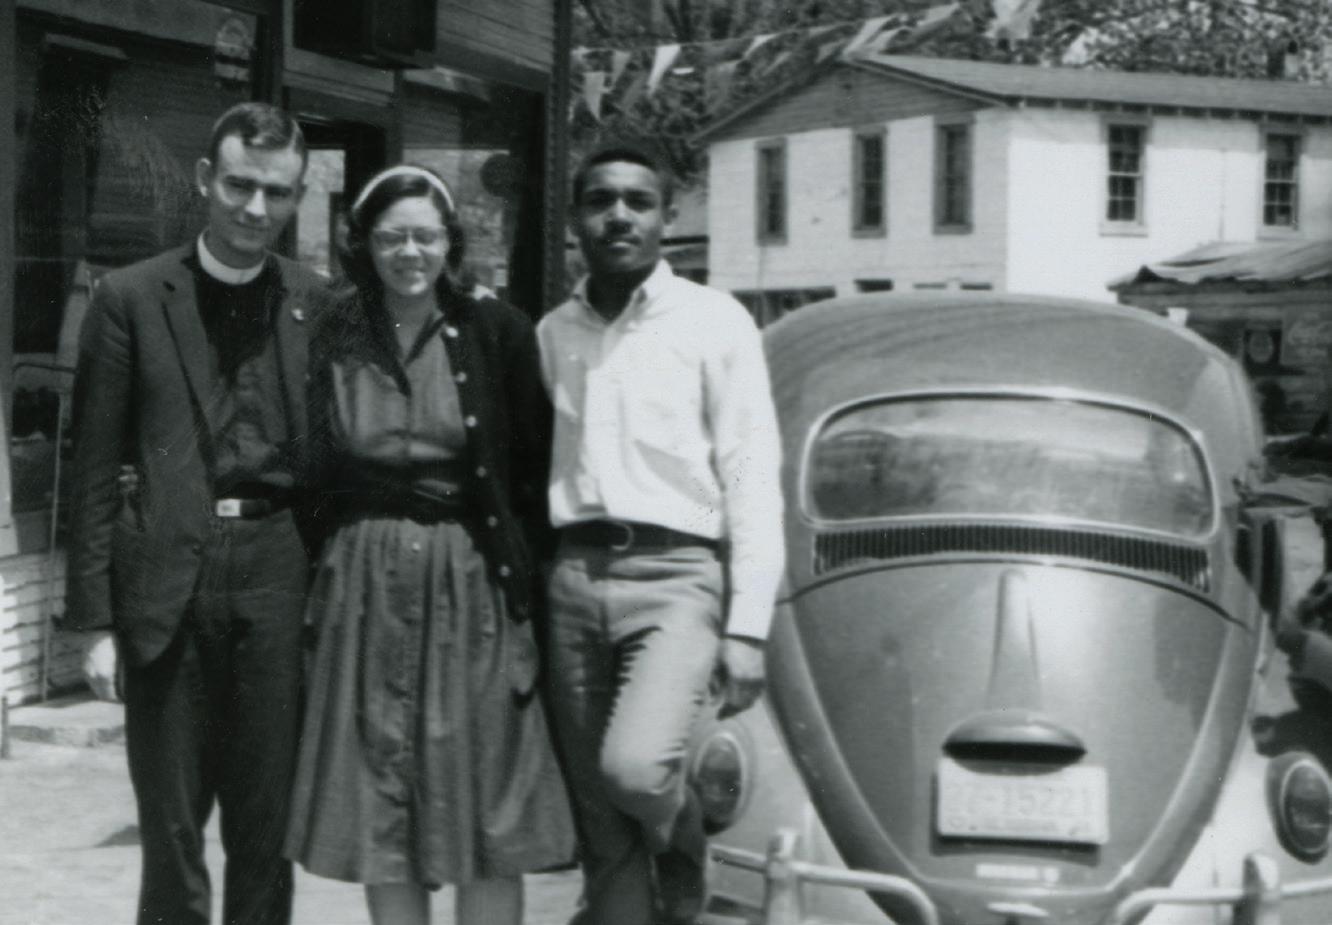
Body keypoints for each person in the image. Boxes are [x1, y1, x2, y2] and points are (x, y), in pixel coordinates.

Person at [284, 164, 574, 925]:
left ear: (450, 241)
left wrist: (522, 592)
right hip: (364, 592)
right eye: (390, 237)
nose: (409, 251)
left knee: (485, 805)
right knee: (384, 804)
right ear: (364, 244)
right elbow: (312, 469)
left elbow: (533, 472)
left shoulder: (496, 328)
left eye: (425, 235)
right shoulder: (334, 332)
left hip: (470, 585)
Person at [64, 102, 323, 925]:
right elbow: (94, 467)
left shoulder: (321, 303)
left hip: (278, 577)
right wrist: (95, 621)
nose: (256, 210)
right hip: (168, 576)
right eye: (241, 185)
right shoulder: (130, 298)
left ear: (297, 197)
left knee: (265, 831)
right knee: (172, 832)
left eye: (277, 193)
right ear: (207, 180)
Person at [538, 142, 786, 925]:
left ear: (667, 218)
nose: (618, 215)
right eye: (600, 200)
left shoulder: (716, 323)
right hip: (574, 577)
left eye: (637, 202)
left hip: (677, 578)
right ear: (575, 217)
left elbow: (751, 475)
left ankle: (683, 842)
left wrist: (748, 626)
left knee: (638, 770)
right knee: (602, 823)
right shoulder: (553, 333)